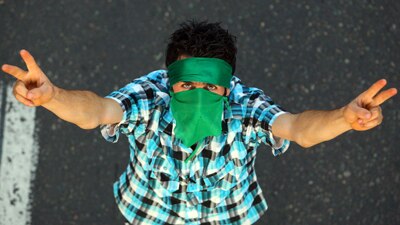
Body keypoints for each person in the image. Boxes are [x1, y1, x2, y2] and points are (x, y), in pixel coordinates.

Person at [1, 20, 397, 225]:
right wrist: (53, 98)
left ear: (229, 85)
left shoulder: (246, 105)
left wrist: (344, 119)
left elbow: (296, 129)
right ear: (169, 77)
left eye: (210, 86)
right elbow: (99, 111)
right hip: (150, 212)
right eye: (185, 83)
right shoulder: (151, 95)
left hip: (227, 216)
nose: (196, 94)